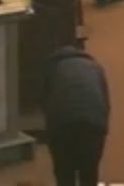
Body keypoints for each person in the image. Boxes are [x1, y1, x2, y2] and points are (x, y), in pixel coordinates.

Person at [43, 46, 110, 186]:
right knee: (89, 171)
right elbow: (105, 102)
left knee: (64, 171)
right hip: (93, 124)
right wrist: (102, 129)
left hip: (62, 124)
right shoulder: (96, 67)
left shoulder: (53, 69)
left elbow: (44, 101)